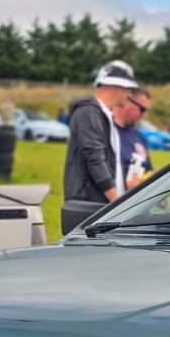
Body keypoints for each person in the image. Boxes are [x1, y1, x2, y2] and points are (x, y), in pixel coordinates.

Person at [61, 59, 142, 231]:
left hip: (98, 204)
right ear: (116, 86)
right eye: (128, 89)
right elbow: (95, 159)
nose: (129, 95)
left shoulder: (103, 115)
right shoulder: (89, 112)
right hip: (88, 205)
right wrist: (118, 203)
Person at [114, 86, 154, 190]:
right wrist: (125, 185)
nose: (143, 115)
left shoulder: (138, 137)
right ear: (128, 101)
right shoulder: (106, 132)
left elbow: (148, 170)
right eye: (142, 109)